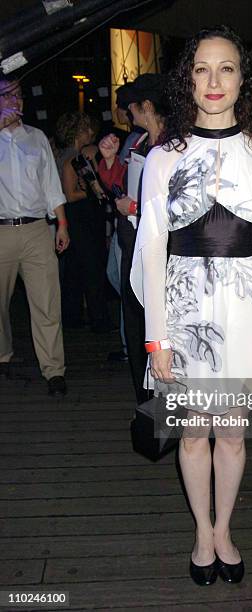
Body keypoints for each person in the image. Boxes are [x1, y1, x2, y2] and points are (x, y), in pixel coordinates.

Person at [130, 26, 252, 585]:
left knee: (231, 431)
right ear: (189, 79)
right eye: (202, 69)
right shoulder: (164, 157)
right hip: (185, 313)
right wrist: (156, 337)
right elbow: (151, 249)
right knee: (192, 431)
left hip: (250, 308)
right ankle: (201, 535)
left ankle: (223, 528)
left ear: (242, 78)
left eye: (226, 68)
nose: (213, 81)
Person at [98, 74, 168, 403]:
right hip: (133, 245)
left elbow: (176, 203)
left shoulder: (173, 144)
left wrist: (135, 207)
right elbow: (120, 185)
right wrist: (110, 161)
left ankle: (167, 397)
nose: (127, 110)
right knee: (136, 321)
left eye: (132, 105)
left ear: (148, 106)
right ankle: (145, 400)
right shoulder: (138, 142)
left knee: (159, 323)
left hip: (161, 250)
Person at [0, 77, 69, 396]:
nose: (18, 102)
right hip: (1, 231)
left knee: (46, 302)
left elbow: (51, 184)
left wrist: (62, 224)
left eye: (19, 96)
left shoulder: (37, 138)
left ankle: (54, 369)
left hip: (37, 230)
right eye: (10, 96)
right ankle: (3, 355)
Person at [56, 111, 111, 333]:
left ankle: (74, 318)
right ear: (80, 131)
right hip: (80, 217)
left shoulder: (67, 154)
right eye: (89, 129)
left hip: (78, 218)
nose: (92, 133)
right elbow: (70, 194)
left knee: (76, 270)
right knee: (91, 269)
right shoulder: (73, 158)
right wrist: (93, 192)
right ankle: (99, 320)